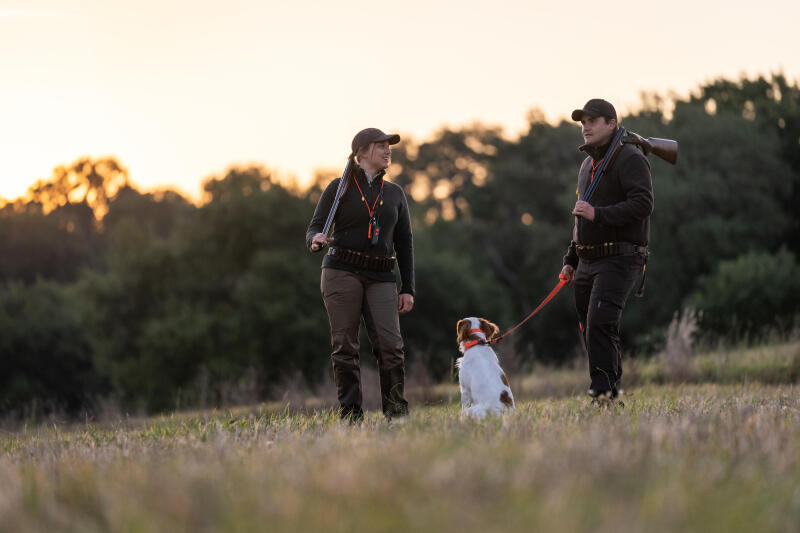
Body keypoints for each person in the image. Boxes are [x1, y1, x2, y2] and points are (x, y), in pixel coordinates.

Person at [306, 127, 415, 421]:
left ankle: (396, 414)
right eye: (381, 146)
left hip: (381, 276)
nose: (388, 150)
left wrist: (408, 288)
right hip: (341, 272)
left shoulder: (394, 193)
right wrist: (315, 239)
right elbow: (315, 227)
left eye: (388, 146)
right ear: (362, 152)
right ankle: (351, 415)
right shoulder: (338, 187)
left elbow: (404, 242)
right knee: (345, 346)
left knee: (391, 347)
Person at [560, 99, 653, 404]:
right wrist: (571, 260)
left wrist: (598, 214)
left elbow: (643, 204)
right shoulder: (587, 165)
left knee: (601, 324)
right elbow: (580, 219)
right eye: (582, 122)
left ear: (611, 123)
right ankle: (609, 394)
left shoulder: (630, 158)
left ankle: (603, 396)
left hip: (620, 257)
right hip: (587, 260)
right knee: (593, 330)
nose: (585, 127)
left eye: (592, 121)